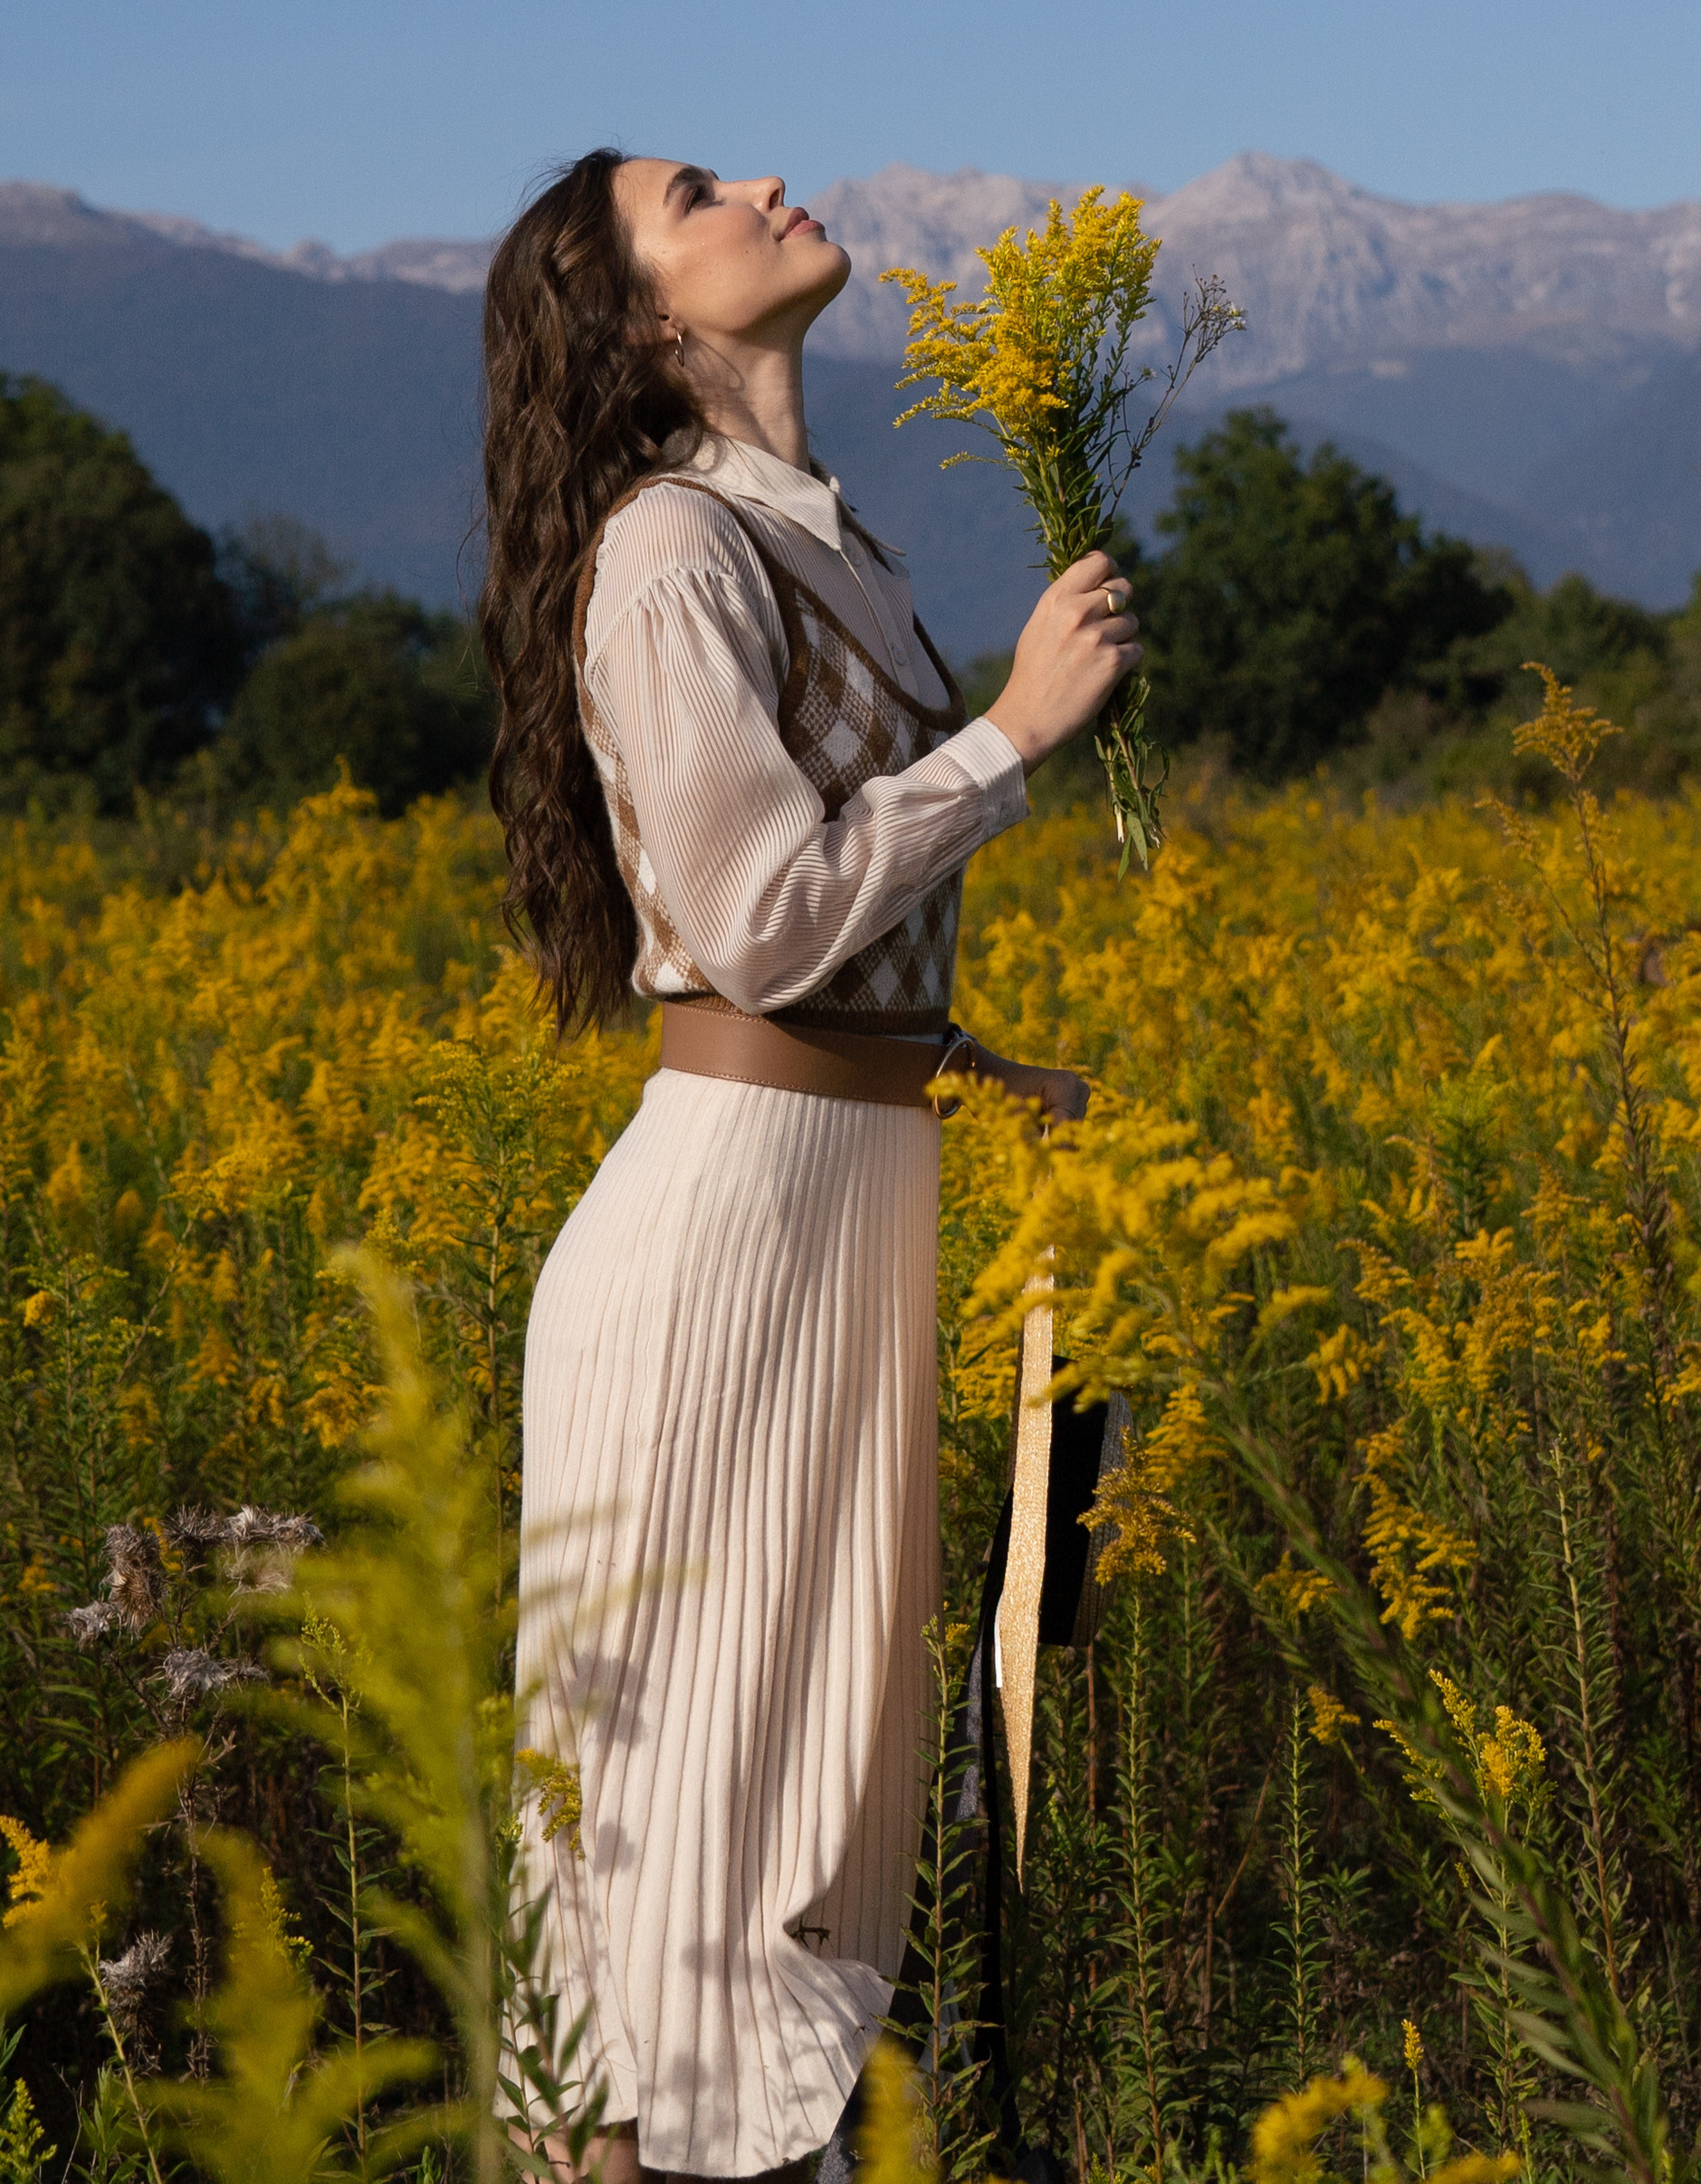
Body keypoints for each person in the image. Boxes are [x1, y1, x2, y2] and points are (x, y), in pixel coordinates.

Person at [480, 149, 1140, 2184]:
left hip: (834, 1195)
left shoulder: (814, 536)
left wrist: (949, 1061)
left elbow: (810, 942)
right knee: (692, 1847)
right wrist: (1014, 741)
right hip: (724, 1242)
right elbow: (758, 916)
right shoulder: (666, 546)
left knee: (804, 1830)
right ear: (638, 316)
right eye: (697, 191)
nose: (763, 179)